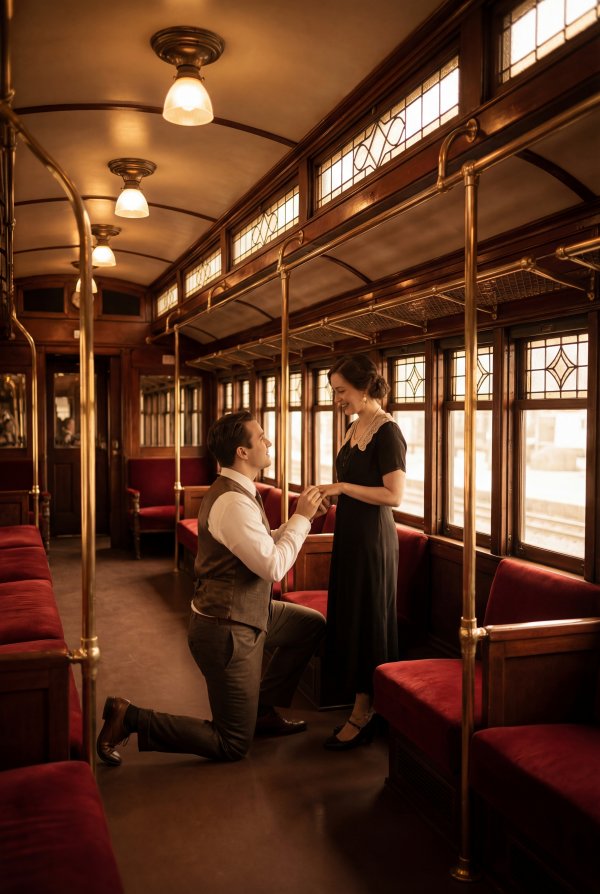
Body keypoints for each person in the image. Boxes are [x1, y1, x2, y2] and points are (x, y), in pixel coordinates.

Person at [97, 411, 326, 765]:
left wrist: (297, 523)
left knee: (310, 625)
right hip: (227, 629)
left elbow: (260, 545)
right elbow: (273, 565)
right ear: (242, 452)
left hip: (251, 612)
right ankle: (129, 717)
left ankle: (261, 710)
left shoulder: (240, 491)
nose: (269, 442)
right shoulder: (233, 501)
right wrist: (301, 518)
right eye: (261, 436)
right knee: (231, 743)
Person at [318, 355, 406, 751]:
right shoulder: (355, 428)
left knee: (368, 618)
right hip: (350, 534)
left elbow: (394, 496)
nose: (337, 399)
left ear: (365, 387)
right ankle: (358, 701)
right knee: (350, 614)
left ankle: (366, 711)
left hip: (372, 539)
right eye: (334, 392)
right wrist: (327, 499)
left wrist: (340, 489)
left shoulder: (388, 433)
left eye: (341, 391)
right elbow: (351, 484)